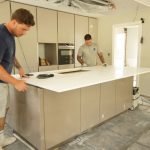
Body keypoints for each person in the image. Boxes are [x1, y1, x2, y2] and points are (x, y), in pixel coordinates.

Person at [0, 8, 35, 150]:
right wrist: (15, 82)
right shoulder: (1, 35)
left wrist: (19, 68)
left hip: (3, 81)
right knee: (0, 112)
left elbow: (10, 55)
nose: (24, 33)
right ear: (14, 22)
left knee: (3, 111)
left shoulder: (10, 35)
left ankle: (0, 139)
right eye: (23, 29)